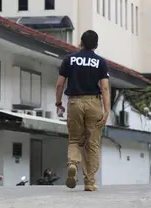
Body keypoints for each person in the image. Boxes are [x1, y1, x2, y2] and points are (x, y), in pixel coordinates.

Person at [55, 30, 110, 191]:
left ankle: (73, 163)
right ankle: (89, 182)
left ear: (81, 42)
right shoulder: (100, 62)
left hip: (74, 102)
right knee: (92, 143)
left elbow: (59, 84)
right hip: (93, 103)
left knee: (74, 140)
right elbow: (105, 87)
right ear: (96, 45)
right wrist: (106, 110)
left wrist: (59, 102)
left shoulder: (69, 60)